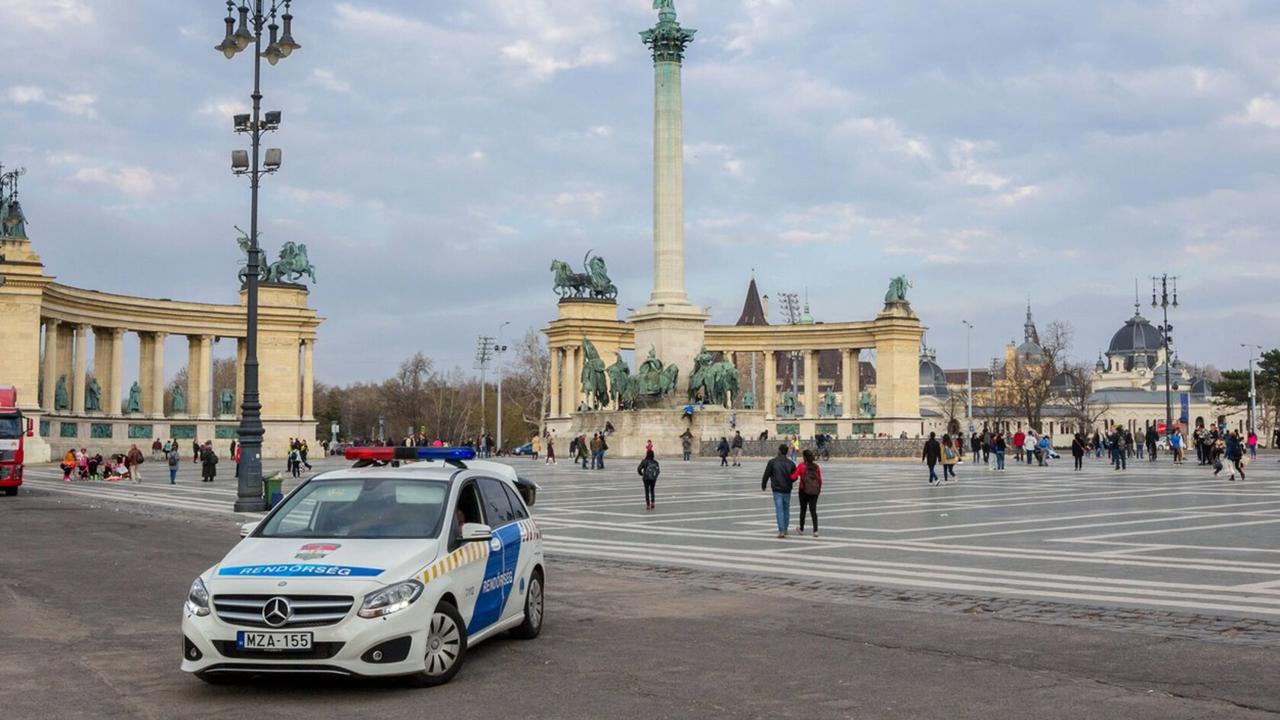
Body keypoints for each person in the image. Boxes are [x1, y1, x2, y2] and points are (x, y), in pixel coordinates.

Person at [761, 444, 796, 538]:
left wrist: (763, 485)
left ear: (779, 451)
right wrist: (789, 480)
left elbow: (766, 474)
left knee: (779, 509)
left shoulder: (772, 462)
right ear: (787, 452)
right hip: (787, 489)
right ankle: (785, 529)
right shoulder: (791, 463)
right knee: (786, 509)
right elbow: (795, 477)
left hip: (777, 489)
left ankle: (781, 530)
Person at [790, 449, 822, 536]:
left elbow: (793, 477)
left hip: (803, 490)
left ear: (804, 457)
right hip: (814, 491)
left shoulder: (801, 466)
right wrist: (818, 490)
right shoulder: (816, 466)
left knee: (803, 510)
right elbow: (820, 480)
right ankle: (815, 530)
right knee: (813, 511)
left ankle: (801, 528)